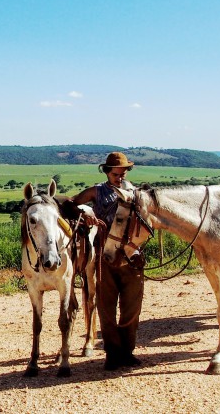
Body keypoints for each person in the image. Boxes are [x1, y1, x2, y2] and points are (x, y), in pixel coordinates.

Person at [68, 151, 145, 370]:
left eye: (122, 173)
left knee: (132, 307)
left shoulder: (136, 193)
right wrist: (85, 215)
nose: (119, 177)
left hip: (132, 256)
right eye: (115, 174)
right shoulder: (97, 191)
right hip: (105, 256)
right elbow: (71, 204)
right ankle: (112, 354)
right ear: (107, 172)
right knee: (106, 307)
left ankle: (127, 352)